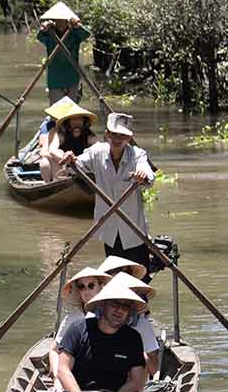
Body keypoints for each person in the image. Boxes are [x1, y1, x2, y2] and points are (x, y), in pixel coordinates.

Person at [50, 278, 164, 392]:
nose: (119, 310)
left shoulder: (133, 338)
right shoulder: (78, 329)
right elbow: (63, 370)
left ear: (129, 312)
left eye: (125, 306)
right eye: (115, 304)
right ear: (103, 305)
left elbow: (136, 381)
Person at [66, 111, 158, 276]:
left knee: (139, 280)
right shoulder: (96, 152)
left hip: (134, 232)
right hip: (109, 229)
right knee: (114, 278)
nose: (117, 139)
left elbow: (148, 176)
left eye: (122, 136)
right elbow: (77, 165)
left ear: (129, 138)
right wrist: (70, 160)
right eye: (114, 134)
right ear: (107, 135)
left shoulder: (137, 155)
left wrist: (142, 176)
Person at [36, 1, 92, 104]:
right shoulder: (49, 34)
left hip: (72, 77)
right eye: (57, 21)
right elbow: (40, 37)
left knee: (71, 110)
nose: (60, 23)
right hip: (55, 79)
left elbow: (86, 34)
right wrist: (44, 28)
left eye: (63, 20)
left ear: (67, 21)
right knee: (56, 110)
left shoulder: (74, 34)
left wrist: (77, 26)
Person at [38, 97, 97, 182]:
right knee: (45, 162)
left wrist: (78, 161)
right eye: (74, 119)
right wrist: (65, 158)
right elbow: (52, 150)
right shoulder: (59, 134)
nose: (77, 122)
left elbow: (98, 147)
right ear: (68, 122)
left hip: (81, 166)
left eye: (80, 119)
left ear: (84, 121)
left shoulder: (89, 136)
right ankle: (54, 183)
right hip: (62, 165)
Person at [54, 266, 112, 339]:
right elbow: (55, 349)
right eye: (81, 287)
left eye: (91, 285)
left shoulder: (113, 314)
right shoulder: (72, 318)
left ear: (101, 286)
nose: (86, 291)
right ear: (78, 291)